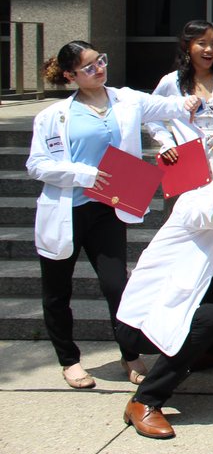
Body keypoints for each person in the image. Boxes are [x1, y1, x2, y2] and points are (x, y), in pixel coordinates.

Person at [29, 42, 202, 389]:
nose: (100, 69)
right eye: (89, 67)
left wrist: (193, 98)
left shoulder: (126, 99)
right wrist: (84, 175)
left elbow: (170, 106)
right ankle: (70, 361)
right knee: (57, 291)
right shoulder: (53, 116)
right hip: (67, 209)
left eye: (101, 61)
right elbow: (37, 164)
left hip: (109, 207)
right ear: (70, 76)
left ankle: (129, 354)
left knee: (118, 286)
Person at [114, 144, 213, 439]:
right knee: (211, 317)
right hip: (145, 318)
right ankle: (144, 400)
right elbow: (208, 214)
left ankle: (211, 353)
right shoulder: (194, 201)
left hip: (192, 292)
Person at [148, 20, 213, 168]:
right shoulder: (172, 81)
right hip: (192, 161)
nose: (209, 49)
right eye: (202, 43)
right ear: (187, 46)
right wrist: (167, 142)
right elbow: (150, 114)